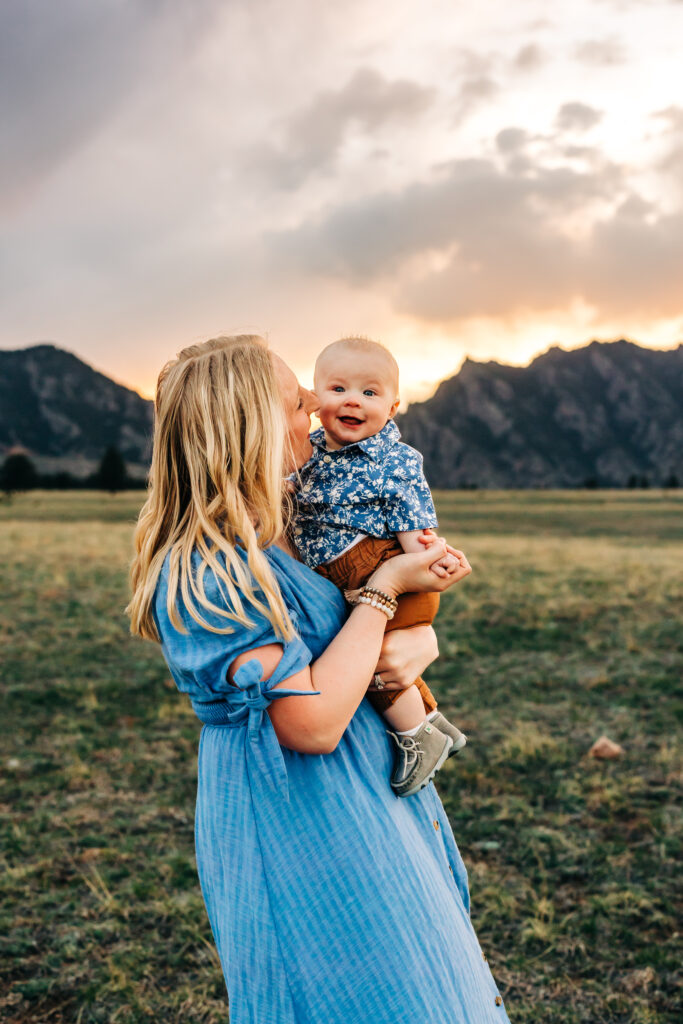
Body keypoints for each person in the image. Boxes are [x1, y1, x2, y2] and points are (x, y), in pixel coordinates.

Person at [127, 335, 510, 1024]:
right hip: (301, 816)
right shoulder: (207, 569)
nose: (312, 409)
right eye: (294, 401)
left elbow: (351, 651)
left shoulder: (282, 534)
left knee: (426, 985)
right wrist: (386, 592)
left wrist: (414, 639)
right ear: (249, 426)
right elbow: (309, 721)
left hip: (360, 792)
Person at [289, 336, 467, 797]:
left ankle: (417, 735)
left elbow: (413, 516)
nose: (353, 400)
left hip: (378, 564)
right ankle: (433, 722)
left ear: (392, 407)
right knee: (365, 651)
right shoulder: (307, 452)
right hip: (342, 569)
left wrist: (425, 558)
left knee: (369, 655)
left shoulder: (395, 460)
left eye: (370, 393)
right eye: (338, 388)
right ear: (314, 399)